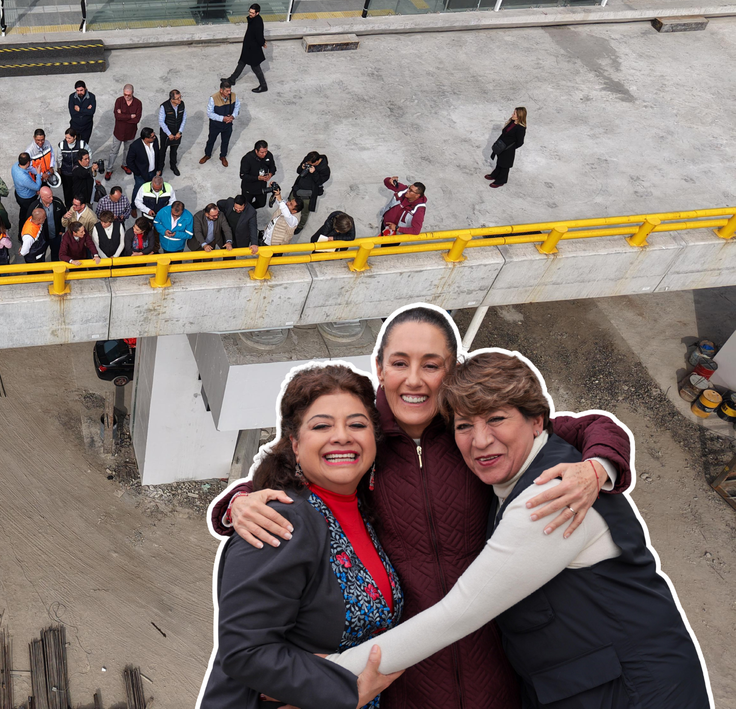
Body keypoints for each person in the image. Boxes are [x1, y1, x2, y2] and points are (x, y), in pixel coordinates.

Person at [210, 304, 633, 709]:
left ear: (452, 371)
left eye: (431, 365)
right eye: (399, 363)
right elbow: (301, 466)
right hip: (406, 676)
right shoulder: (363, 433)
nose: (414, 380)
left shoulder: (473, 432)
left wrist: (596, 467)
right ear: (380, 368)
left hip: (496, 663)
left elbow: (587, 425)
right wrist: (239, 501)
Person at [330, 352, 711, 709]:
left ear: (535, 421)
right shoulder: (529, 465)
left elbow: (456, 614)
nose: (480, 441)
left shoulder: (552, 494)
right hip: (589, 685)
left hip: (635, 692)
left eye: (496, 419)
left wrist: (326, 674)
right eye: (464, 426)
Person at [199, 364, 401, 708]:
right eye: (322, 425)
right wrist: (348, 691)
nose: (342, 436)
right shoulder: (279, 520)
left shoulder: (365, 511)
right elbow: (246, 652)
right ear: (294, 444)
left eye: (357, 424)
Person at [224, 3, 267, 94]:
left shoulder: (258, 22)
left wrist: (263, 42)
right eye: (249, 12)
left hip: (253, 49)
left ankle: (263, 85)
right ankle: (232, 79)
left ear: (257, 13)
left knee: (256, 68)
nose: (250, 14)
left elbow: (259, 36)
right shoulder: (253, 19)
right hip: (248, 47)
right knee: (241, 63)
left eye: (252, 13)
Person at [107, 85, 142, 180]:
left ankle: (125, 164)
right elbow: (117, 117)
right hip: (119, 132)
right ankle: (109, 169)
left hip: (130, 133)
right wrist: (130, 116)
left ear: (132, 93)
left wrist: (123, 116)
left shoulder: (138, 103)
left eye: (128, 95)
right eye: (125, 94)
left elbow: (137, 120)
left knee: (127, 151)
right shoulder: (119, 101)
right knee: (114, 151)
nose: (126, 96)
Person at [201, 81, 240, 167]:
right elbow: (209, 113)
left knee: (225, 141)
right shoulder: (213, 98)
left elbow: (237, 106)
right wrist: (223, 118)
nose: (229, 93)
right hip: (216, 125)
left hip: (228, 124)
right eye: (227, 91)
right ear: (221, 90)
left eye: (230, 90)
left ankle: (223, 156)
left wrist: (232, 116)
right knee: (211, 140)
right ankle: (207, 154)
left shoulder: (233, 96)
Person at [488, 107, 527, 188]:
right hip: (502, 146)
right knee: (500, 161)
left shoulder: (521, 128)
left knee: (505, 165)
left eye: (514, 113)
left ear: (519, 115)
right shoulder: (512, 122)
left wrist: (511, 148)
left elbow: (520, 142)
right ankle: (495, 174)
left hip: (508, 149)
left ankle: (501, 180)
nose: (512, 114)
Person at [239, 139, 277, 209]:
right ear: (256, 150)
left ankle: (250, 210)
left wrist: (270, 174)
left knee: (261, 203)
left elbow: (273, 167)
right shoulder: (247, 159)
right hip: (249, 188)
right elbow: (243, 175)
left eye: (266, 151)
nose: (264, 154)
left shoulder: (269, 155)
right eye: (262, 152)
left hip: (261, 187)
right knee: (245, 205)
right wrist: (257, 178)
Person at [156, 89, 186, 176]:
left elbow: (184, 118)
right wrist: (169, 134)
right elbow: (161, 122)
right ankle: (160, 167)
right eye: (177, 98)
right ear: (172, 99)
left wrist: (180, 132)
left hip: (177, 132)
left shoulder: (182, 105)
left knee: (174, 151)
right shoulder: (164, 106)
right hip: (166, 133)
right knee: (163, 151)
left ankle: (173, 166)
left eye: (180, 97)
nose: (180, 100)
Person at [60, 142, 98, 208]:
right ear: (79, 161)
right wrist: (91, 169)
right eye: (85, 159)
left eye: (88, 158)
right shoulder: (76, 169)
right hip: (81, 201)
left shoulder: (86, 167)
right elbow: (83, 174)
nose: (88, 160)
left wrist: (94, 182)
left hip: (89, 197)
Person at [125, 128, 159, 202]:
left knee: (151, 189)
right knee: (138, 190)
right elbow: (129, 161)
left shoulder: (155, 141)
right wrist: (138, 173)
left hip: (153, 172)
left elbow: (158, 155)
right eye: (152, 137)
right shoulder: (135, 146)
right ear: (146, 138)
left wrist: (159, 168)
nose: (155, 137)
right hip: (141, 174)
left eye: (154, 135)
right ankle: (133, 206)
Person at [12, 152, 43, 222]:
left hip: (19, 194)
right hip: (27, 199)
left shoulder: (15, 166)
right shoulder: (24, 178)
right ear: (28, 162)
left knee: (23, 211)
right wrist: (38, 173)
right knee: (27, 214)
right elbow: (37, 187)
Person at [68, 80, 97, 145]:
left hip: (87, 126)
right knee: (74, 144)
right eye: (77, 90)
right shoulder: (72, 97)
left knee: (84, 145)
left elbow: (91, 112)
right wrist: (86, 109)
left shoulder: (91, 97)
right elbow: (73, 113)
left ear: (85, 88)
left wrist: (80, 110)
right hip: (75, 126)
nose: (79, 92)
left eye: (81, 90)